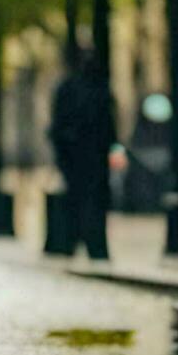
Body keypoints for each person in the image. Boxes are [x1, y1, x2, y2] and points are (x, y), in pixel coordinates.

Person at [48, 51, 117, 261]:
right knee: (90, 201)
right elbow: (109, 126)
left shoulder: (70, 89)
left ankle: (75, 243)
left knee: (79, 200)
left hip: (79, 157)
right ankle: (92, 245)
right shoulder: (98, 90)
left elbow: (57, 126)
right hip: (89, 157)